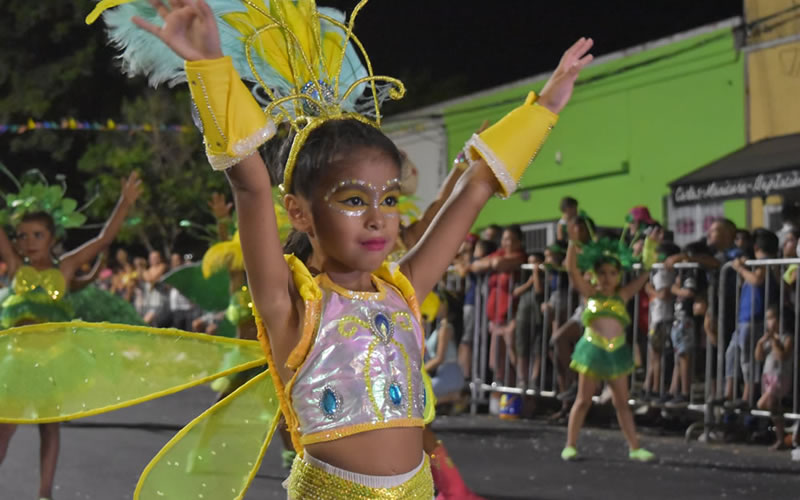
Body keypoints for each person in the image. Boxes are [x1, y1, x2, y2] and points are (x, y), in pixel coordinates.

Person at [0, 171, 140, 500]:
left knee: (49, 428)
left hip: (52, 364)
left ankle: (45, 493)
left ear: (52, 237)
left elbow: (104, 239)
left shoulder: (64, 268)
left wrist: (124, 203)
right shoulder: (15, 267)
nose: (27, 242)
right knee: (4, 429)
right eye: (21, 236)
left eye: (36, 234)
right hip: (15, 365)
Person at [561, 231, 660, 463]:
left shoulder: (622, 295)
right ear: (594, 275)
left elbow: (645, 274)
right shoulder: (590, 294)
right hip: (593, 351)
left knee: (622, 403)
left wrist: (650, 249)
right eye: (602, 273)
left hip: (616, 353)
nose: (607, 278)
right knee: (583, 400)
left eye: (613, 273)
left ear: (619, 276)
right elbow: (572, 271)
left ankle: (635, 447)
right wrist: (573, 245)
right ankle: (570, 444)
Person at [725, 228, 779, 408]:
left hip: (754, 318)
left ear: (756, 246)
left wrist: (740, 268)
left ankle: (747, 396)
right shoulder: (757, 263)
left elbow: (757, 280)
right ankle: (728, 393)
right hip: (744, 318)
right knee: (732, 354)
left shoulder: (764, 263)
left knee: (748, 359)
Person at [642, 242, 679, 402]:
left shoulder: (664, 272)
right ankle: (650, 387)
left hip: (663, 317)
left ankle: (657, 389)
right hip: (657, 317)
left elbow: (664, 293)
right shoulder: (658, 270)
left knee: (657, 355)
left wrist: (650, 290)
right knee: (654, 354)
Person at [755, 304, 794, 450]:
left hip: (780, 379)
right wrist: (760, 343)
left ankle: (783, 432)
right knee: (772, 407)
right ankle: (781, 437)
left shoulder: (787, 337)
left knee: (763, 404)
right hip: (768, 378)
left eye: (772, 318)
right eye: (767, 319)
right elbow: (758, 357)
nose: (769, 322)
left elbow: (782, 356)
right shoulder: (769, 339)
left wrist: (774, 341)